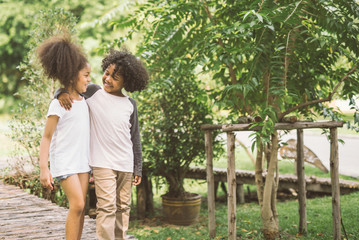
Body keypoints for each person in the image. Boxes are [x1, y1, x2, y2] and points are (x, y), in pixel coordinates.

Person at [56, 49, 149, 240]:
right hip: (102, 163)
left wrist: (137, 167)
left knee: (123, 207)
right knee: (106, 207)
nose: (108, 79)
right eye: (107, 73)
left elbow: (135, 138)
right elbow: (71, 88)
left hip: (125, 163)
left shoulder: (130, 104)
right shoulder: (93, 92)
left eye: (115, 77)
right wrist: (60, 93)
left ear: (127, 82)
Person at [37, 34, 92, 240]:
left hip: (82, 162)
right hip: (64, 161)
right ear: (71, 75)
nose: (89, 79)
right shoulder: (59, 103)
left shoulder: (85, 100)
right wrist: (44, 168)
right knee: (76, 204)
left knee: (81, 208)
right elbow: (47, 137)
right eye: (85, 75)